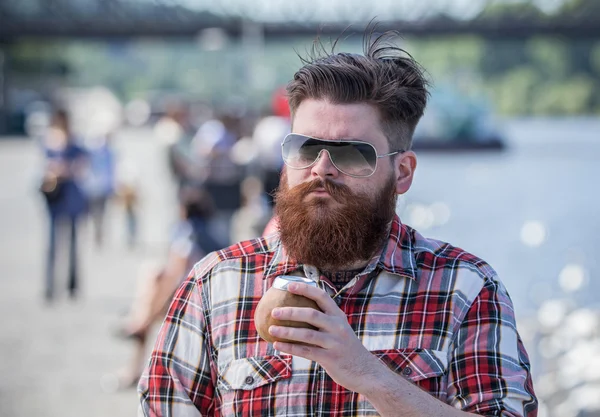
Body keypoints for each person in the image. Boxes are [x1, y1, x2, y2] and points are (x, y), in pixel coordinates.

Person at [138, 30, 538, 416]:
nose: (321, 169)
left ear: (402, 172)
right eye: (305, 148)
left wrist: (368, 374)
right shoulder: (216, 284)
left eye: (351, 154)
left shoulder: (465, 290)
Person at [118, 185, 222, 387]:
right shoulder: (213, 233)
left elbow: (176, 275)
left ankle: (138, 330)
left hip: (192, 298)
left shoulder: (187, 233)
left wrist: (150, 314)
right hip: (211, 296)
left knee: (153, 278)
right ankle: (139, 321)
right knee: (154, 274)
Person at [40, 108, 89, 301]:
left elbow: (81, 166)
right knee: (53, 244)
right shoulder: (49, 142)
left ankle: (72, 286)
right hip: (56, 197)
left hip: (72, 197)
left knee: (72, 245)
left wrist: (64, 169)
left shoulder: (75, 143)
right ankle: (51, 286)